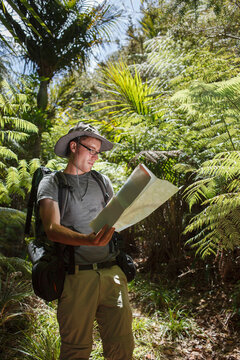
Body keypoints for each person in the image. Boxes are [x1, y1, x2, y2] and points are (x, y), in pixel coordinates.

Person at [37, 122, 134, 360]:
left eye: (98, 152)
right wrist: (88, 241)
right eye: (91, 149)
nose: (95, 157)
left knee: (122, 347)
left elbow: (114, 219)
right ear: (73, 146)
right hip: (76, 277)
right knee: (76, 350)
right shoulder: (52, 183)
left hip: (112, 274)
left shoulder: (103, 182)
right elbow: (52, 228)